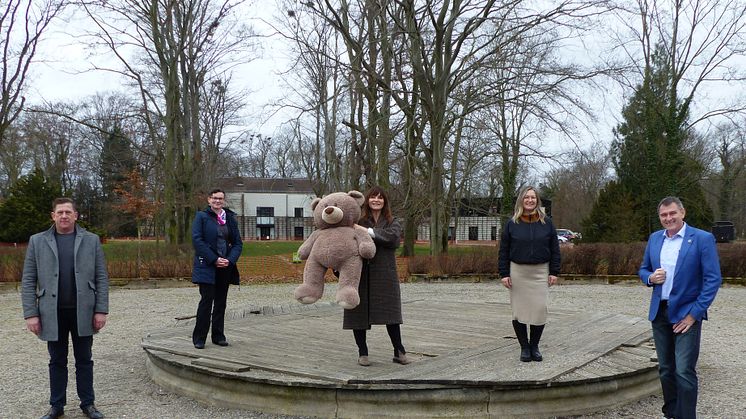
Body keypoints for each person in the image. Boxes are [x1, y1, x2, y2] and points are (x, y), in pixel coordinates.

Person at [21, 198, 109, 419]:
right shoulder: (37, 241)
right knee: (57, 360)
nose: (64, 216)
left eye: (68, 212)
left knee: (84, 360)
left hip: (84, 311)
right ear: (53, 215)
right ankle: (56, 405)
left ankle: (88, 404)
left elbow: (101, 277)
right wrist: (31, 313)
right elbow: (29, 279)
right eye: (60, 212)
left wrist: (101, 309)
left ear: (76, 215)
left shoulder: (91, 240)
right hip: (52, 312)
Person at [639, 196, 721, 419]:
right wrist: (650, 278)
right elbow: (643, 269)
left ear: (682, 213)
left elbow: (713, 280)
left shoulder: (702, 239)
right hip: (659, 312)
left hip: (686, 314)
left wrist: (694, 315)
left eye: (672, 213)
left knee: (684, 370)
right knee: (665, 369)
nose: (668, 218)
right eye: (664, 215)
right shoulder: (655, 239)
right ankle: (672, 413)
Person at [343, 186, 408, 366]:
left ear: (384, 201)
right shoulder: (360, 220)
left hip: (385, 273)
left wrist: (368, 232)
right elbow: (348, 241)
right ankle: (362, 352)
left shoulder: (392, 221)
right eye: (373, 197)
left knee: (391, 313)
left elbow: (393, 239)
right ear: (367, 200)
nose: (376, 200)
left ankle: (399, 350)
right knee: (357, 312)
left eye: (380, 197)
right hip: (361, 273)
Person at [498, 186, 560, 362]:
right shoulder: (512, 224)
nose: (530, 200)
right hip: (518, 272)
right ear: (521, 200)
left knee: (539, 310)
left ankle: (535, 346)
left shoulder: (546, 223)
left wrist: (554, 271)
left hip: (540, 271)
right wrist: (504, 273)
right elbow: (504, 251)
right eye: (527, 197)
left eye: (533, 198)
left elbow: (555, 249)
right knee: (519, 312)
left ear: (537, 201)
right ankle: (524, 348)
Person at [191, 188, 243, 349]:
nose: (217, 201)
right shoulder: (202, 217)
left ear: (224, 200)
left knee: (221, 303)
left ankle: (218, 336)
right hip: (207, 266)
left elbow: (237, 243)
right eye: (214, 198)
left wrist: (229, 260)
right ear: (209, 200)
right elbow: (197, 240)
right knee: (206, 302)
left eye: (220, 198)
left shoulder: (230, 218)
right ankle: (199, 338)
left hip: (225, 267)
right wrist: (214, 259)